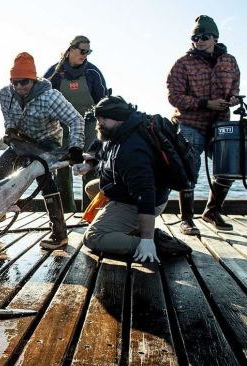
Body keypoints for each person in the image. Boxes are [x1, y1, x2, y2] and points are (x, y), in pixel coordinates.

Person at [0, 52, 85, 250]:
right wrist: (10, 129)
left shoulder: (50, 97)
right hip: (21, 140)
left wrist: (76, 147)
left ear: (33, 80)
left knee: (43, 177)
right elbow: (8, 118)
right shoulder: (5, 94)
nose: (19, 87)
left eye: (24, 82)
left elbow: (76, 120)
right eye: (15, 82)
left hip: (47, 141)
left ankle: (59, 234)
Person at [78, 96, 190, 263]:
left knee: (93, 237)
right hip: (124, 189)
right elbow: (101, 146)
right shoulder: (120, 129)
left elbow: (145, 195)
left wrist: (146, 240)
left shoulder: (132, 151)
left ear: (119, 118)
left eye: (104, 118)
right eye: (98, 117)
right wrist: (88, 164)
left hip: (143, 201)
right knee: (91, 188)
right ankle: (127, 227)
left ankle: (154, 243)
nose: (99, 122)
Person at [167, 15, 241, 235]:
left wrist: (234, 98)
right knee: (189, 169)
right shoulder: (182, 64)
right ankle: (187, 219)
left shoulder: (230, 61)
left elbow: (235, 87)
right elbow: (174, 97)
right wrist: (206, 103)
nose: (199, 40)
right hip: (190, 123)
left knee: (229, 167)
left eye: (204, 36)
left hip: (221, 124)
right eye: (195, 36)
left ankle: (212, 211)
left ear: (215, 37)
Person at [45, 35, 108, 212]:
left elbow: (103, 102)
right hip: (62, 125)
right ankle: (67, 211)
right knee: (63, 168)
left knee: (90, 165)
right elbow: (43, 99)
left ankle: (91, 212)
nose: (85, 54)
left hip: (89, 124)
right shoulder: (54, 73)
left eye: (88, 51)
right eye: (82, 50)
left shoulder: (93, 73)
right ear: (71, 49)